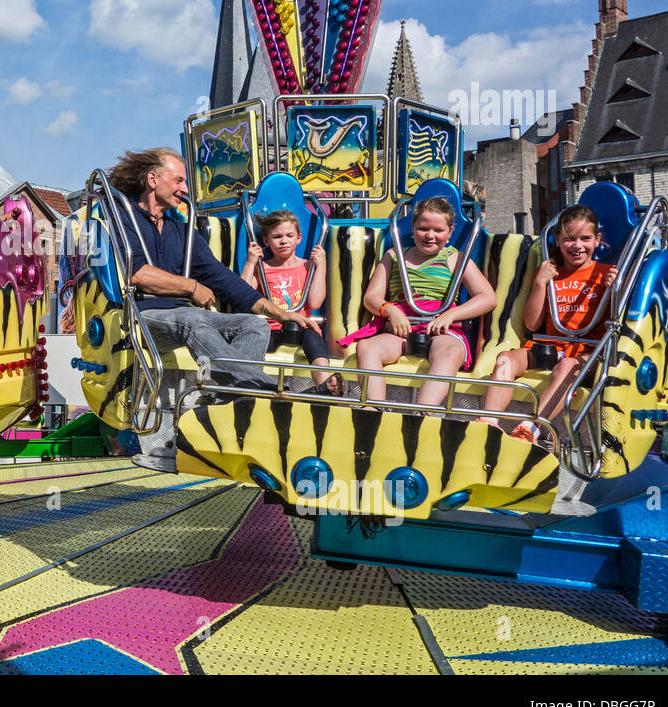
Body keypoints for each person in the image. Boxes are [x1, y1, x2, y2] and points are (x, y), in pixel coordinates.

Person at [106, 148, 318, 472]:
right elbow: (137, 274)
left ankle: (209, 425)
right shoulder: (125, 220)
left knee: (253, 325)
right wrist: (190, 287)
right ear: (152, 179)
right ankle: (267, 391)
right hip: (144, 316)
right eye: (178, 180)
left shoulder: (181, 231)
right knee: (194, 320)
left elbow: (223, 279)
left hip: (186, 316)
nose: (185, 189)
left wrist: (278, 313)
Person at [341, 196, 496, 410]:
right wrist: (391, 310)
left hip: (441, 328)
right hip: (402, 327)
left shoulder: (456, 259)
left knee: (449, 353)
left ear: (450, 232)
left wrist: (450, 315)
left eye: (438, 230)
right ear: (413, 227)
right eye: (423, 228)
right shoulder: (394, 256)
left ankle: (423, 413)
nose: (430, 236)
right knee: (367, 348)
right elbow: (372, 297)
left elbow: (487, 297)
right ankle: (373, 408)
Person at [480, 204, 616, 443]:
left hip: (587, 353)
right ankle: (489, 422)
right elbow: (532, 324)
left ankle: (533, 428)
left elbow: (618, 324)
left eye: (585, 239)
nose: (577, 246)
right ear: (558, 240)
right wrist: (540, 284)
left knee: (566, 368)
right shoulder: (550, 274)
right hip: (551, 347)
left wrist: (616, 290)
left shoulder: (606, 273)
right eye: (569, 239)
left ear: (597, 240)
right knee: (505, 360)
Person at [240, 210, 340, 394]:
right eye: (277, 236)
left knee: (314, 340)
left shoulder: (307, 266)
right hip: (269, 328)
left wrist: (321, 265)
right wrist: (250, 262)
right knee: (254, 342)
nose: (284, 241)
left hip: (301, 325)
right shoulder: (263, 269)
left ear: (299, 238)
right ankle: (251, 387)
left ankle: (326, 385)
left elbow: (315, 302)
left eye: (289, 235)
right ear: (266, 240)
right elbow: (242, 295)